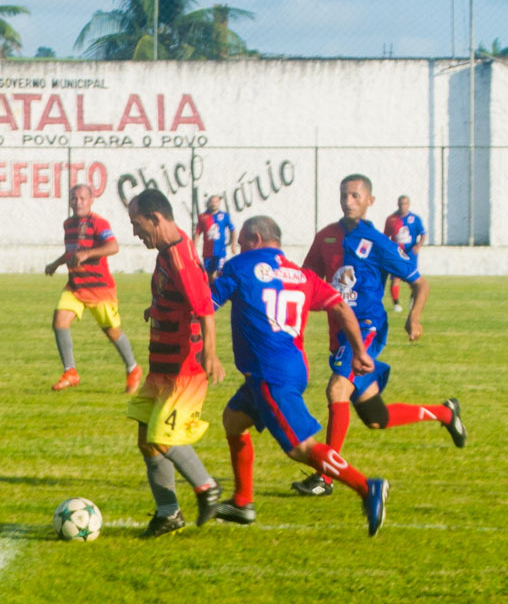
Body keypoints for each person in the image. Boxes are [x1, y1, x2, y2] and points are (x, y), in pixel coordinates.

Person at [210, 215, 389, 536]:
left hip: (270, 373)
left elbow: (207, 304)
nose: (237, 247)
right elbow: (341, 307)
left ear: (254, 239)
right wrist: (361, 352)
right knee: (233, 420)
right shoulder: (302, 276)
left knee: (300, 448)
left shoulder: (241, 265)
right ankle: (242, 500)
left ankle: (367, 487)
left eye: (241, 241)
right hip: (290, 368)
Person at [291, 174, 466, 497]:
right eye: (344, 195)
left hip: (368, 327)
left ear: (370, 201)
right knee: (376, 417)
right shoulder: (326, 237)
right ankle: (445, 412)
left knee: (337, 388)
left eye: (356, 196)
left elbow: (420, 283)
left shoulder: (381, 243)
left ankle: (325, 477)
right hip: (340, 332)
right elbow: (307, 280)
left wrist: (413, 317)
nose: (348, 201)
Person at [126, 188, 225, 537]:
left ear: (156, 219)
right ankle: (169, 514)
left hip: (184, 370)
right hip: (162, 368)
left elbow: (205, 307)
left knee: (162, 436)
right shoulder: (168, 251)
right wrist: (156, 309)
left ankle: (206, 487)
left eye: (137, 225)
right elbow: (179, 298)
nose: (135, 233)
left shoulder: (180, 256)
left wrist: (210, 353)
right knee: (146, 437)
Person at [45, 184, 141, 393]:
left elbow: (113, 246)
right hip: (76, 287)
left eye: (82, 198)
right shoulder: (68, 224)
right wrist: (55, 263)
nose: (77, 202)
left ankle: (133, 368)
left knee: (112, 332)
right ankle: (70, 371)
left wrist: (88, 254)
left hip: (100, 289)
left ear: (91, 200)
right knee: (59, 321)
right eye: (74, 198)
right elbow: (71, 252)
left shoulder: (99, 223)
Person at [383, 195, 426, 312]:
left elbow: (423, 234)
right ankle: (396, 304)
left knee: (413, 279)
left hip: (411, 253)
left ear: (409, 204)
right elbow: (385, 237)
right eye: (401, 204)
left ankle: (413, 299)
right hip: (396, 254)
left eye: (405, 203)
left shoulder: (415, 219)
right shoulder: (391, 219)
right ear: (397, 204)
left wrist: (418, 246)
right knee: (395, 278)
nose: (403, 206)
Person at [195, 194, 237, 281]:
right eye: (212, 202)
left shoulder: (224, 215)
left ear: (219, 203)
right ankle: (210, 292)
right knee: (208, 274)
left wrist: (233, 244)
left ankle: (219, 292)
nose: (214, 204)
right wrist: (194, 247)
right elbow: (197, 233)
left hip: (220, 250)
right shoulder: (203, 217)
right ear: (209, 203)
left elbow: (232, 230)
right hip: (208, 251)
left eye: (216, 202)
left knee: (220, 272)